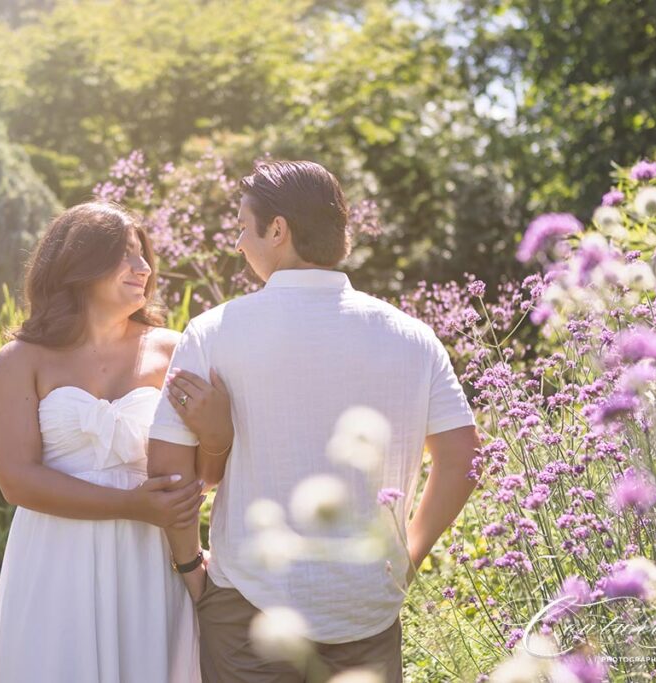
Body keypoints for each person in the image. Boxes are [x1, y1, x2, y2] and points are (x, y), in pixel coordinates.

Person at [148, 160, 482, 682]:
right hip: (368, 607)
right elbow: (464, 460)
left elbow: (167, 470)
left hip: (248, 610)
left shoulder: (213, 332)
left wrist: (191, 567)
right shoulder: (414, 337)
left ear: (277, 230)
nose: (238, 242)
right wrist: (408, 557)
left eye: (242, 225)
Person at [0, 201, 231, 683]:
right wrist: (130, 505)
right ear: (77, 263)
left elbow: (204, 475)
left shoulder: (176, 350)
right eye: (125, 255)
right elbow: (17, 480)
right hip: (55, 554)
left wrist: (218, 435)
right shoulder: (20, 359)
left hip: (150, 555)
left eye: (144, 256)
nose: (144, 269)